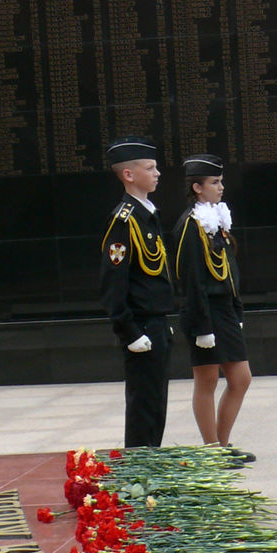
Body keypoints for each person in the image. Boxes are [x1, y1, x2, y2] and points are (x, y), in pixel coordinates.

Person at [172, 154, 253, 461]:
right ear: (197, 187)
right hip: (204, 311)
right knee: (206, 379)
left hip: (224, 310)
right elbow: (190, 279)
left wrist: (237, 310)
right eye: (214, 183)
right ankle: (212, 449)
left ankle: (222, 443)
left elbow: (229, 269)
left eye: (221, 181)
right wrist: (202, 326)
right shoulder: (189, 226)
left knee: (240, 379)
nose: (221, 188)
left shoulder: (215, 218)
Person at [99, 136, 175, 448]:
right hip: (141, 326)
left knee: (156, 404)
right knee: (144, 406)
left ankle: (150, 468)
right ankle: (140, 474)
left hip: (155, 323)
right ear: (129, 174)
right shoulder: (124, 221)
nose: (157, 173)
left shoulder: (147, 215)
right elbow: (113, 283)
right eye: (150, 168)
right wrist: (129, 331)